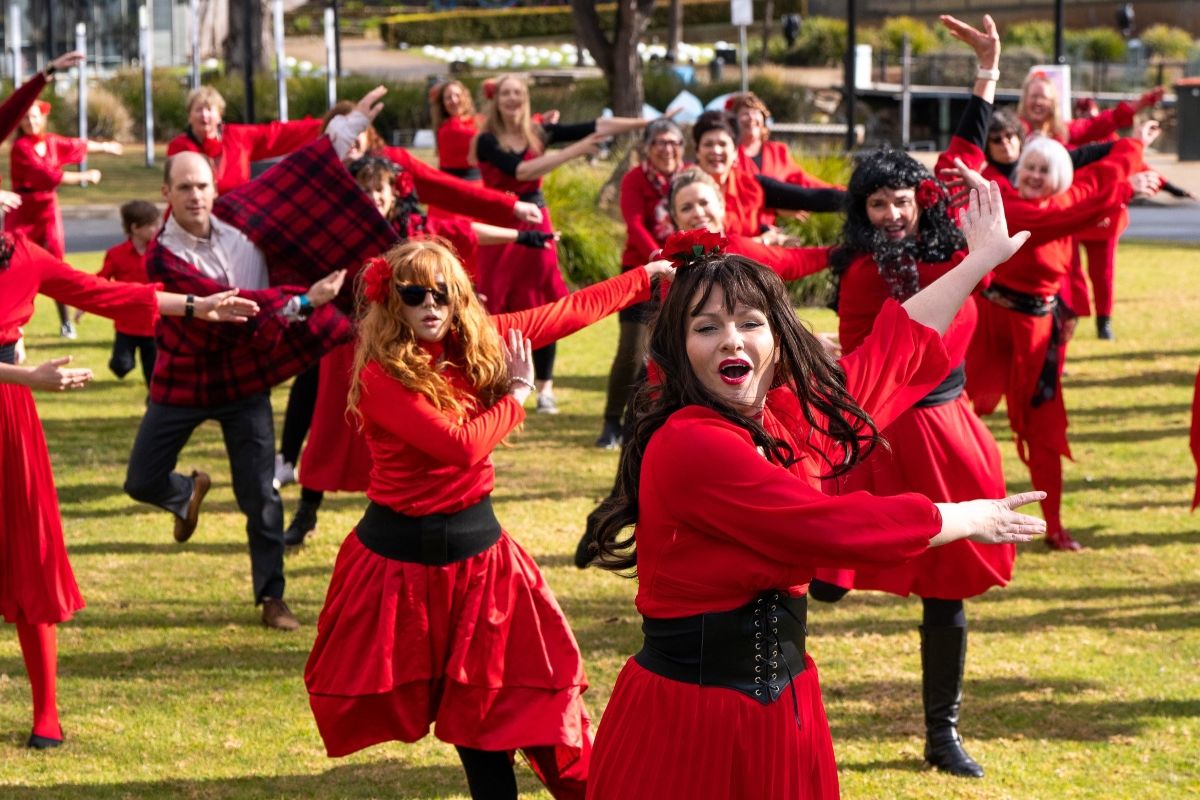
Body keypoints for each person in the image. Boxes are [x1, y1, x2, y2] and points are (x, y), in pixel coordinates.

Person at [585, 183, 1044, 798]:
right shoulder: (690, 443)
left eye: (750, 322)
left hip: (785, 708)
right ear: (678, 348)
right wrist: (963, 516)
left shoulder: (779, 419)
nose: (731, 340)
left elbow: (892, 354)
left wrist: (977, 262)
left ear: (778, 343)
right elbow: (820, 527)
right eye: (707, 327)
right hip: (693, 721)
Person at [304, 238, 674, 799]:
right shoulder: (383, 374)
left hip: (479, 562)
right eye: (414, 294)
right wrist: (519, 393)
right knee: (466, 719)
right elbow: (460, 447)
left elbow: (567, 311)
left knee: (525, 701)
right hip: (401, 573)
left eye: (444, 293)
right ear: (392, 303)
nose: (431, 306)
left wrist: (645, 278)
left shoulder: (479, 339)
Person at [122, 88, 397, 631]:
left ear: (214, 186)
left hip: (244, 382)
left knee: (260, 497)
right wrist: (300, 301)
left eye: (202, 185)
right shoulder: (163, 254)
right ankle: (185, 490)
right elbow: (229, 310)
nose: (195, 195)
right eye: (183, 187)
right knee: (141, 479)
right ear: (166, 194)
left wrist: (348, 127)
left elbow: (299, 174)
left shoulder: (243, 216)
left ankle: (272, 598)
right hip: (183, 381)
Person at [1, 229, 257, 750]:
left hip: (9, 423)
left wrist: (195, 306)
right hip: (14, 391)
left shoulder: (22, 254)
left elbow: (106, 293)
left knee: (31, 557)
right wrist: (22, 375)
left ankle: (46, 713)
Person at [809, 148, 1012, 778]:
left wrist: (986, 77)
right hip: (876, 429)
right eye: (878, 202)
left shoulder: (955, 257)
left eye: (901, 199)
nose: (892, 213)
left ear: (921, 200)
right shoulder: (861, 271)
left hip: (946, 432)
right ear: (862, 210)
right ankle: (773, 700)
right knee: (808, 573)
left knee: (946, 585)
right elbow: (865, 360)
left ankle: (941, 733)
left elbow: (978, 182)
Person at [281, 154, 554, 547]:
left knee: (412, 435)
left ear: (395, 193)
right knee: (329, 432)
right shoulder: (340, 232)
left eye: (380, 189)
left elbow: (462, 229)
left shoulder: (413, 231)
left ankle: (405, 505)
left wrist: (522, 236)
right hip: (348, 342)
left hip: (409, 346)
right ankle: (307, 509)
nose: (373, 196)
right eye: (365, 189)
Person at [949, 129, 1153, 552]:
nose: (1035, 175)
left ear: (1058, 177)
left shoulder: (1064, 204)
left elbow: (1103, 175)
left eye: (1045, 170)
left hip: (1036, 331)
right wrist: (1122, 189)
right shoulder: (1018, 208)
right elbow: (1076, 205)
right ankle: (953, 509)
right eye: (1030, 168)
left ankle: (1054, 525)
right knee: (960, 414)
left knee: (1043, 428)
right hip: (990, 323)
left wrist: (1135, 143)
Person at [471, 73, 653, 413]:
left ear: (526, 98)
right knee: (497, 303)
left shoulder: (539, 132)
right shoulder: (487, 140)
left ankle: (545, 388)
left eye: (517, 93)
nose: (512, 99)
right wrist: (576, 151)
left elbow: (597, 124)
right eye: (506, 93)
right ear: (496, 100)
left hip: (537, 222)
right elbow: (522, 171)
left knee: (542, 302)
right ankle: (493, 382)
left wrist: (646, 120)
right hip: (501, 222)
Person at [595, 118, 688, 449]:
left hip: (684, 272)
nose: (667, 148)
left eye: (673, 142)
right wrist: (659, 257)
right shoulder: (636, 179)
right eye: (660, 142)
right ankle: (611, 422)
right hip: (642, 273)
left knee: (673, 351)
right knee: (632, 352)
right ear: (647, 148)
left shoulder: (688, 177)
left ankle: (661, 420)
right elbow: (634, 222)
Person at [6, 93, 123, 339]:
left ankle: (65, 322)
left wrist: (106, 146)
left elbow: (76, 145)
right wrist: (85, 176)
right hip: (23, 209)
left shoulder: (50, 142)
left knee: (56, 264)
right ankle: (11, 325)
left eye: (34, 116)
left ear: (42, 119)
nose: (30, 121)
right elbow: (46, 175)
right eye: (26, 117)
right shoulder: (20, 148)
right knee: (12, 263)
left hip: (47, 209)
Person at [690, 110, 845, 238]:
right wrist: (762, 241)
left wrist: (857, 197)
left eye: (723, 144)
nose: (716, 151)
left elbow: (809, 197)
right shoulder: (684, 188)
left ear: (736, 151)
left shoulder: (751, 185)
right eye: (708, 144)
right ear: (697, 151)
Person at [166, 85, 324, 196]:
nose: (204, 115)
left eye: (209, 109)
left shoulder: (237, 137)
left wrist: (324, 126)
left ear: (220, 115)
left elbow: (276, 134)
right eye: (198, 109)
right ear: (189, 115)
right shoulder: (179, 147)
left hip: (235, 219)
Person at [728, 91, 842, 228]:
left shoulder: (777, 152)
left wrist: (843, 192)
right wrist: (775, 208)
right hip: (739, 227)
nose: (751, 117)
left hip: (770, 231)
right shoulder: (728, 154)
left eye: (756, 112)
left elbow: (806, 183)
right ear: (734, 120)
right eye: (745, 113)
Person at [87, 200, 162, 385]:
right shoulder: (116, 254)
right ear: (135, 228)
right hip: (126, 324)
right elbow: (100, 280)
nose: (156, 229)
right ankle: (122, 366)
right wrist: (85, 304)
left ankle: (153, 398)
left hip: (153, 324)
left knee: (152, 371)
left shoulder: (161, 253)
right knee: (121, 366)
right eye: (151, 225)